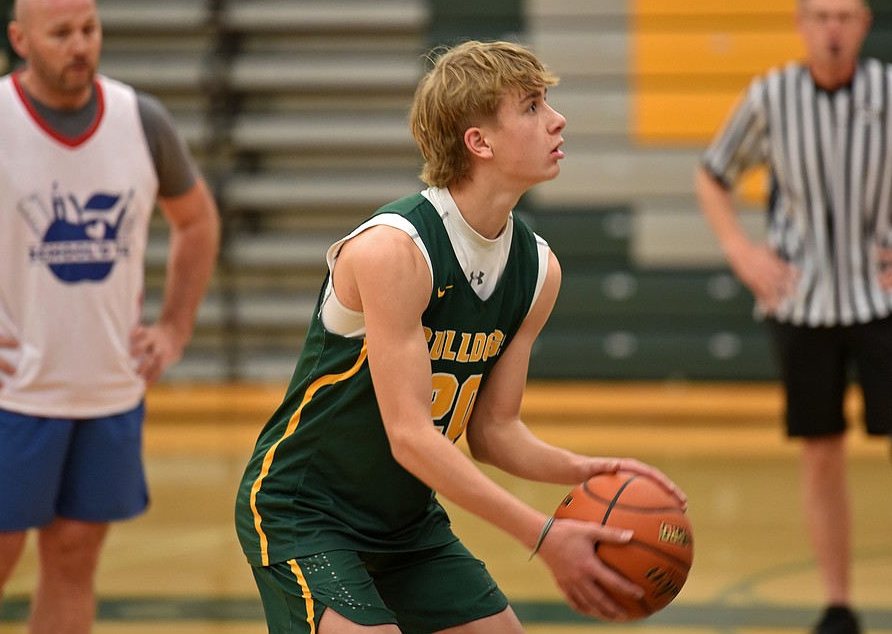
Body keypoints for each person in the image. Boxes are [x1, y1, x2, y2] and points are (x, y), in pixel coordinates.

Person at [234, 39, 686, 633]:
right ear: (479, 142)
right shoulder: (395, 250)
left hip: (404, 519)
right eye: (531, 106)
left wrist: (588, 470)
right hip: (305, 509)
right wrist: (542, 535)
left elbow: (494, 431)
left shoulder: (537, 270)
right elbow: (411, 437)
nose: (557, 118)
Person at [695, 0, 892, 634]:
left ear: (864, 25)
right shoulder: (771, 97)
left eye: (845, 17)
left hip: (883, 298)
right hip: (801, 302)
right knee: (821, 451)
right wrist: (742, 252)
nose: (832, 29)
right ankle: (837, 603)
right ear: (802, 24)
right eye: (821, 16)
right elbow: (714, 176)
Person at [0, 0, 220, 634]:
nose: (80, 44)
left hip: (110, 387)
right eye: (61, 33)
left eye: (89, 28)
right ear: (20, 39)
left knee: (73, 554)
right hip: (12, 388)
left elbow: (197, 221)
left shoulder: (139, 118)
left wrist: (174, 327)